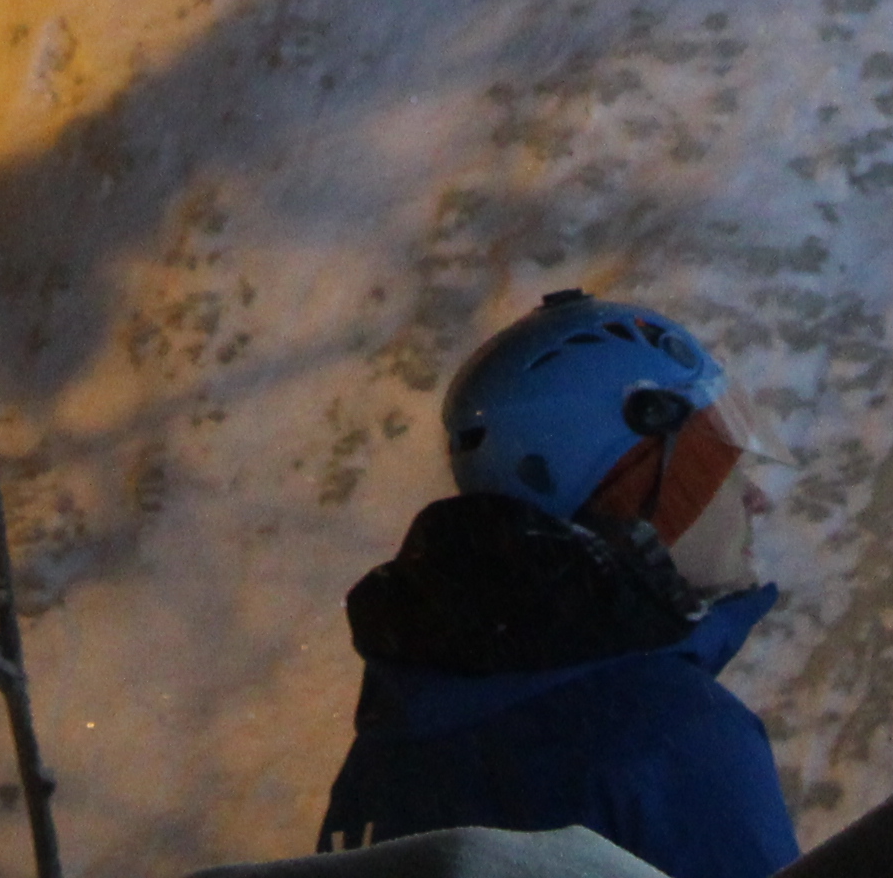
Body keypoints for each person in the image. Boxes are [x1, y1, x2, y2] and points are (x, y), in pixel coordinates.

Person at [318, 290, 803, 878]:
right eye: (722, 465)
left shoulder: (396, 746)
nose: (756, 498)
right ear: (645, 494)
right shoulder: (664, 736)